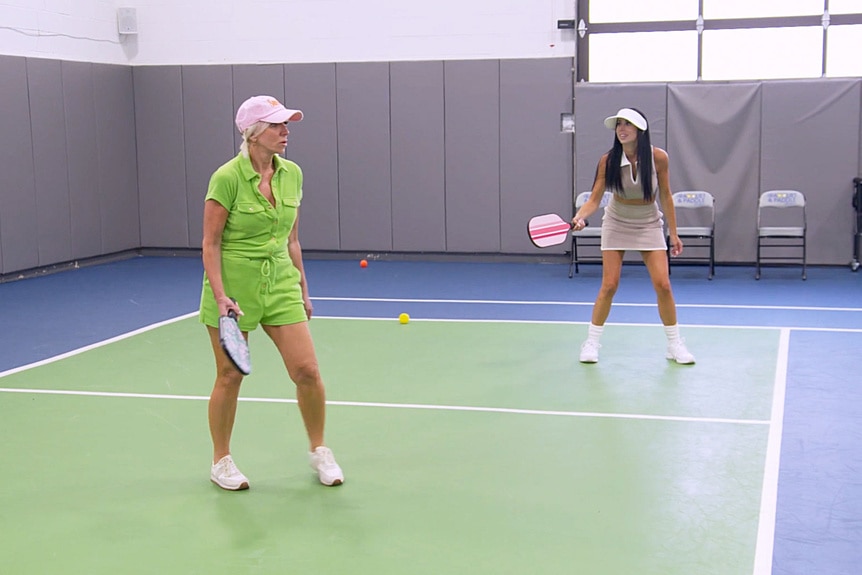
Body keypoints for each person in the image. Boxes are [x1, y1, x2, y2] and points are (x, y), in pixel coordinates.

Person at [200, 95, 344, 490]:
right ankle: (221, 461)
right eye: (278, 125)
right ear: (254, 133)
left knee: (307, 371)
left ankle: (319, 450)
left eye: (286, 124)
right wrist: (221, 295)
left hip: (280, 282)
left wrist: (303, 287)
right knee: (230, 375)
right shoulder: (226, 178)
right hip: (233, 287)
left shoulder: (292, 174)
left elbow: (292, 239)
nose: (286, 131)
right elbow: (210, 244)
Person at [572, 107, 695, 365]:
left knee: (663, 284)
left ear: (640, 130)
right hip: (617, 221)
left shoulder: (658, 158)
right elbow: (595, 198)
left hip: (649, 222)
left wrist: (674, 233)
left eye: (627, 124)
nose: (621, 129)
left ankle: (674, 344)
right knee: (610, 285)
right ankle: (592, 342)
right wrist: (581, 216)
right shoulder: (608, 160)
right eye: (618, 125)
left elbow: (666, 195)